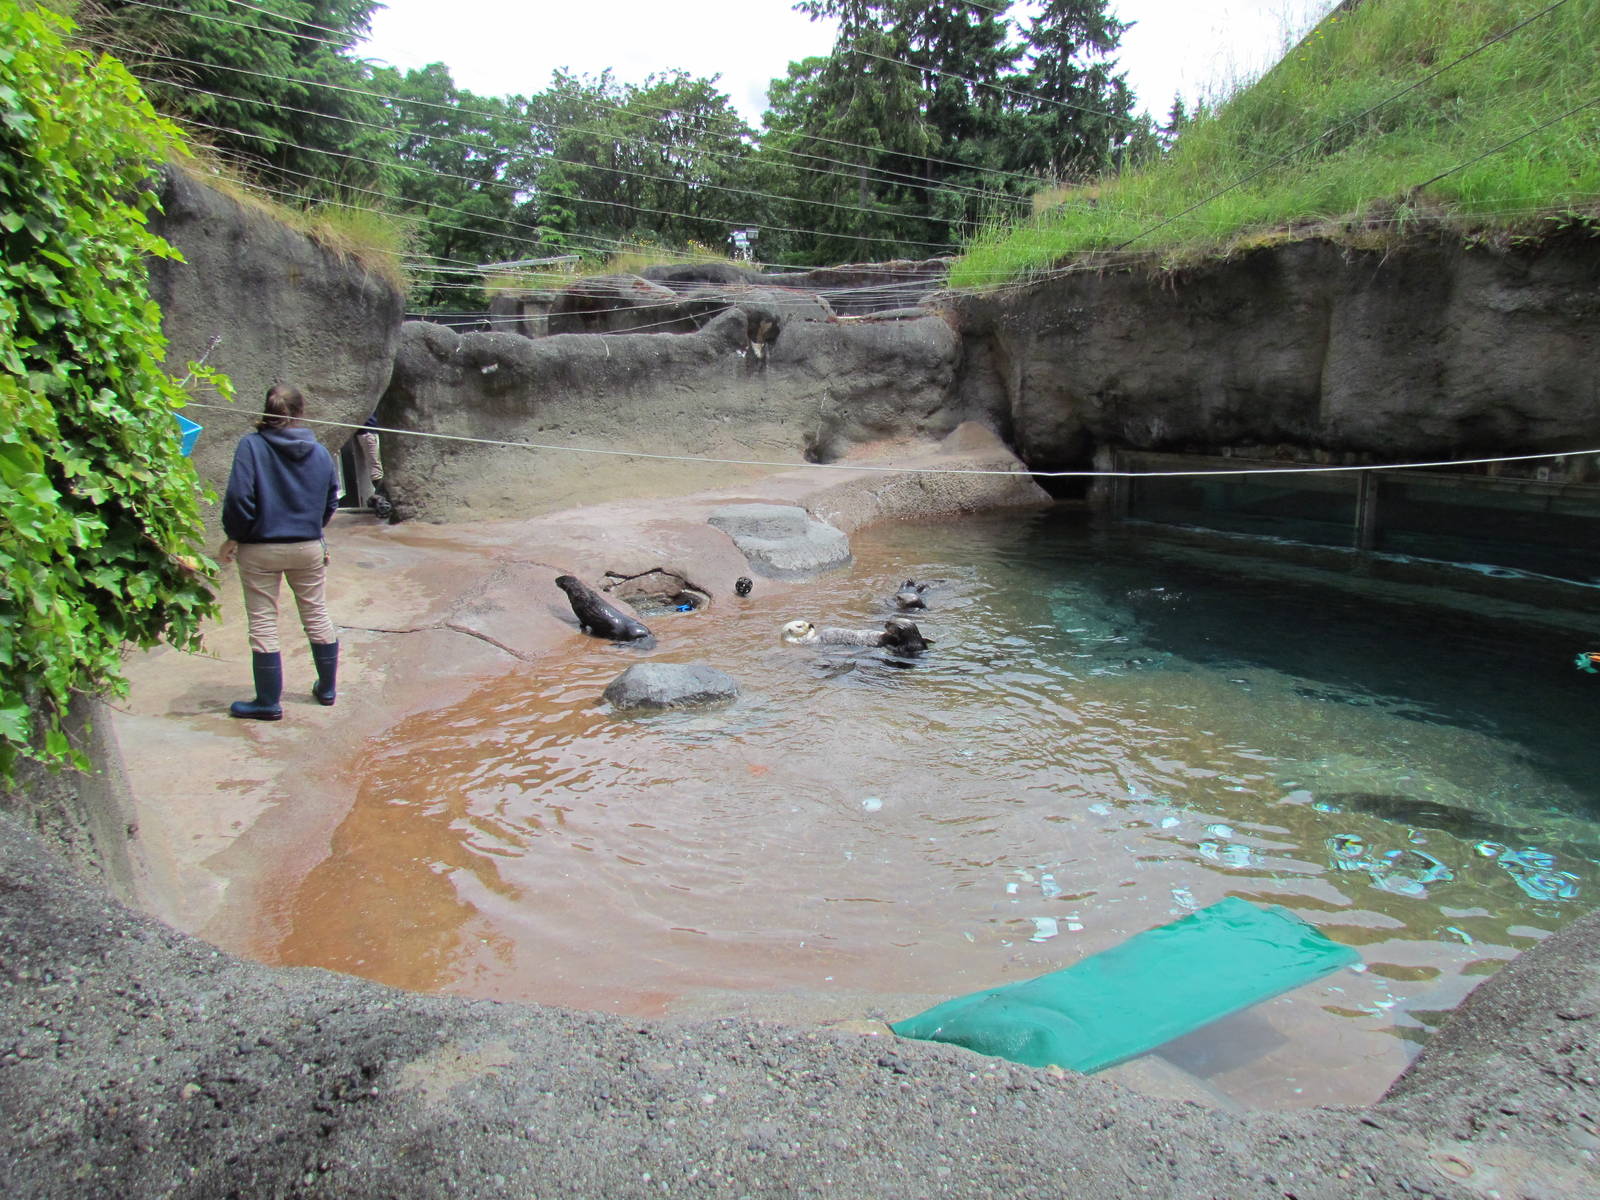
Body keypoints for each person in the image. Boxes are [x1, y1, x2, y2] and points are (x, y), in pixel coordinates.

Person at [217, 384, 340, 720]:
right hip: (307, 547)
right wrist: (313, 529)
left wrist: (234, 536)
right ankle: (327, 690)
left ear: (266, 411)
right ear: (301, 412)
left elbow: (239, 499)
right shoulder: (320, 452)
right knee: (316, 614)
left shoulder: (251, 445)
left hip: (259, 548)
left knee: (263, 622)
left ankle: (268, 702)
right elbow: (331, 500)